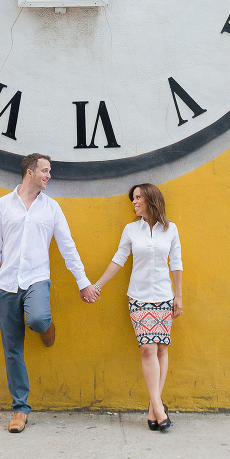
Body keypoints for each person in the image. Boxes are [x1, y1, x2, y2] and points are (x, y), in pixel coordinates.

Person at [0, 153, 99, 433]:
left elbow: (67, 247)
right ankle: (20, 410)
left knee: (36, 319)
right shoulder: (3, 205)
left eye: (49, 171)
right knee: (12, 349)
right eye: (45, 171)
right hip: (6, 284)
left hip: (36, 279)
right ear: (30, 172)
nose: (49, 175)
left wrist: (83, 282)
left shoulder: (52, 208)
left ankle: (46, 327)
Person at [92, 183, 183, 431]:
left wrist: (179, 296)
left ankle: (153, 411)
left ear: (151, 199)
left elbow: (176, 263)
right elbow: (118, 260)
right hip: (139, 298)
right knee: (147, 349)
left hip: (164, 296)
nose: (134, 202)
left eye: (138, 197)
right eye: (133, 198)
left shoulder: (170, 229)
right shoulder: (131, 230)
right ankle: (159, 407)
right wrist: (97, 285)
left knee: (161, 349)